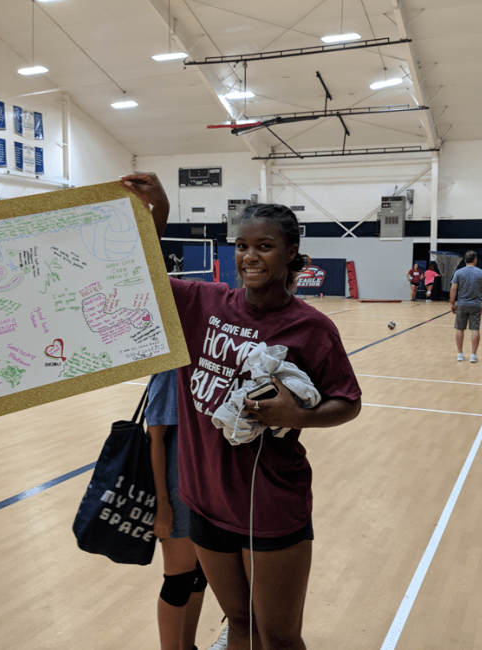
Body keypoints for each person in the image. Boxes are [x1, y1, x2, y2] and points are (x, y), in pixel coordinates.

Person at [122, 172, 363, 650]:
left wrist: (298, 417)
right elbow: (139, 275)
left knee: (278, 636)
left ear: (291, 252)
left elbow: (347, 403)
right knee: (239, 623)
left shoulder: (311, 327)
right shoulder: (204, 304)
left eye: (265, 247)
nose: (250, 257)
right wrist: (160, 213)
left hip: (269, 503)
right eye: (242, 246)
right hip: (204, 497)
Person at [146, 369, 207, 650]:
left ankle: (188, 646)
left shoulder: (211, 350)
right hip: (177, 491)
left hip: (207, 487)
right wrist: (162, 505)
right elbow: (155, 436)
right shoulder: (172, 368)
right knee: (179, 579)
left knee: (199, 576)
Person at [449, 251, 482, 363]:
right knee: (475, 329)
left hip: (461, 304)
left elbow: (453, 289)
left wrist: (452, 303)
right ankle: (473, 355)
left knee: (460, 329)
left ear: (465, 260)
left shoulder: (458, 272)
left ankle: (460, 354)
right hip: (476, 304)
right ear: (475, 260)